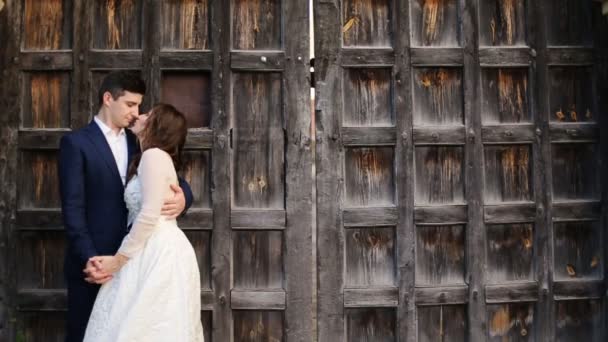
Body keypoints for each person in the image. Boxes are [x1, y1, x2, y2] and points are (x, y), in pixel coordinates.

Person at [58, 71, 193, 342]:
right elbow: (72, 209)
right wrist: (92, 260)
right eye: (130, 104)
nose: (135, 113)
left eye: (139, 106)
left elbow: (175, 182)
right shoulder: (76, 143)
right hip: (95, 262)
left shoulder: (142, 140)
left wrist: (183, 199)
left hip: (138, 262)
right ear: (108, 98)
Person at [83, 104, 204, 341]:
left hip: (155, 249)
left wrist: (118, 261)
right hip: (156, 246)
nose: (140, 115)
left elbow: (149, 214)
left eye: (149, 114)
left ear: (157, 125)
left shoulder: (153, 155)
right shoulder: (152, 156)